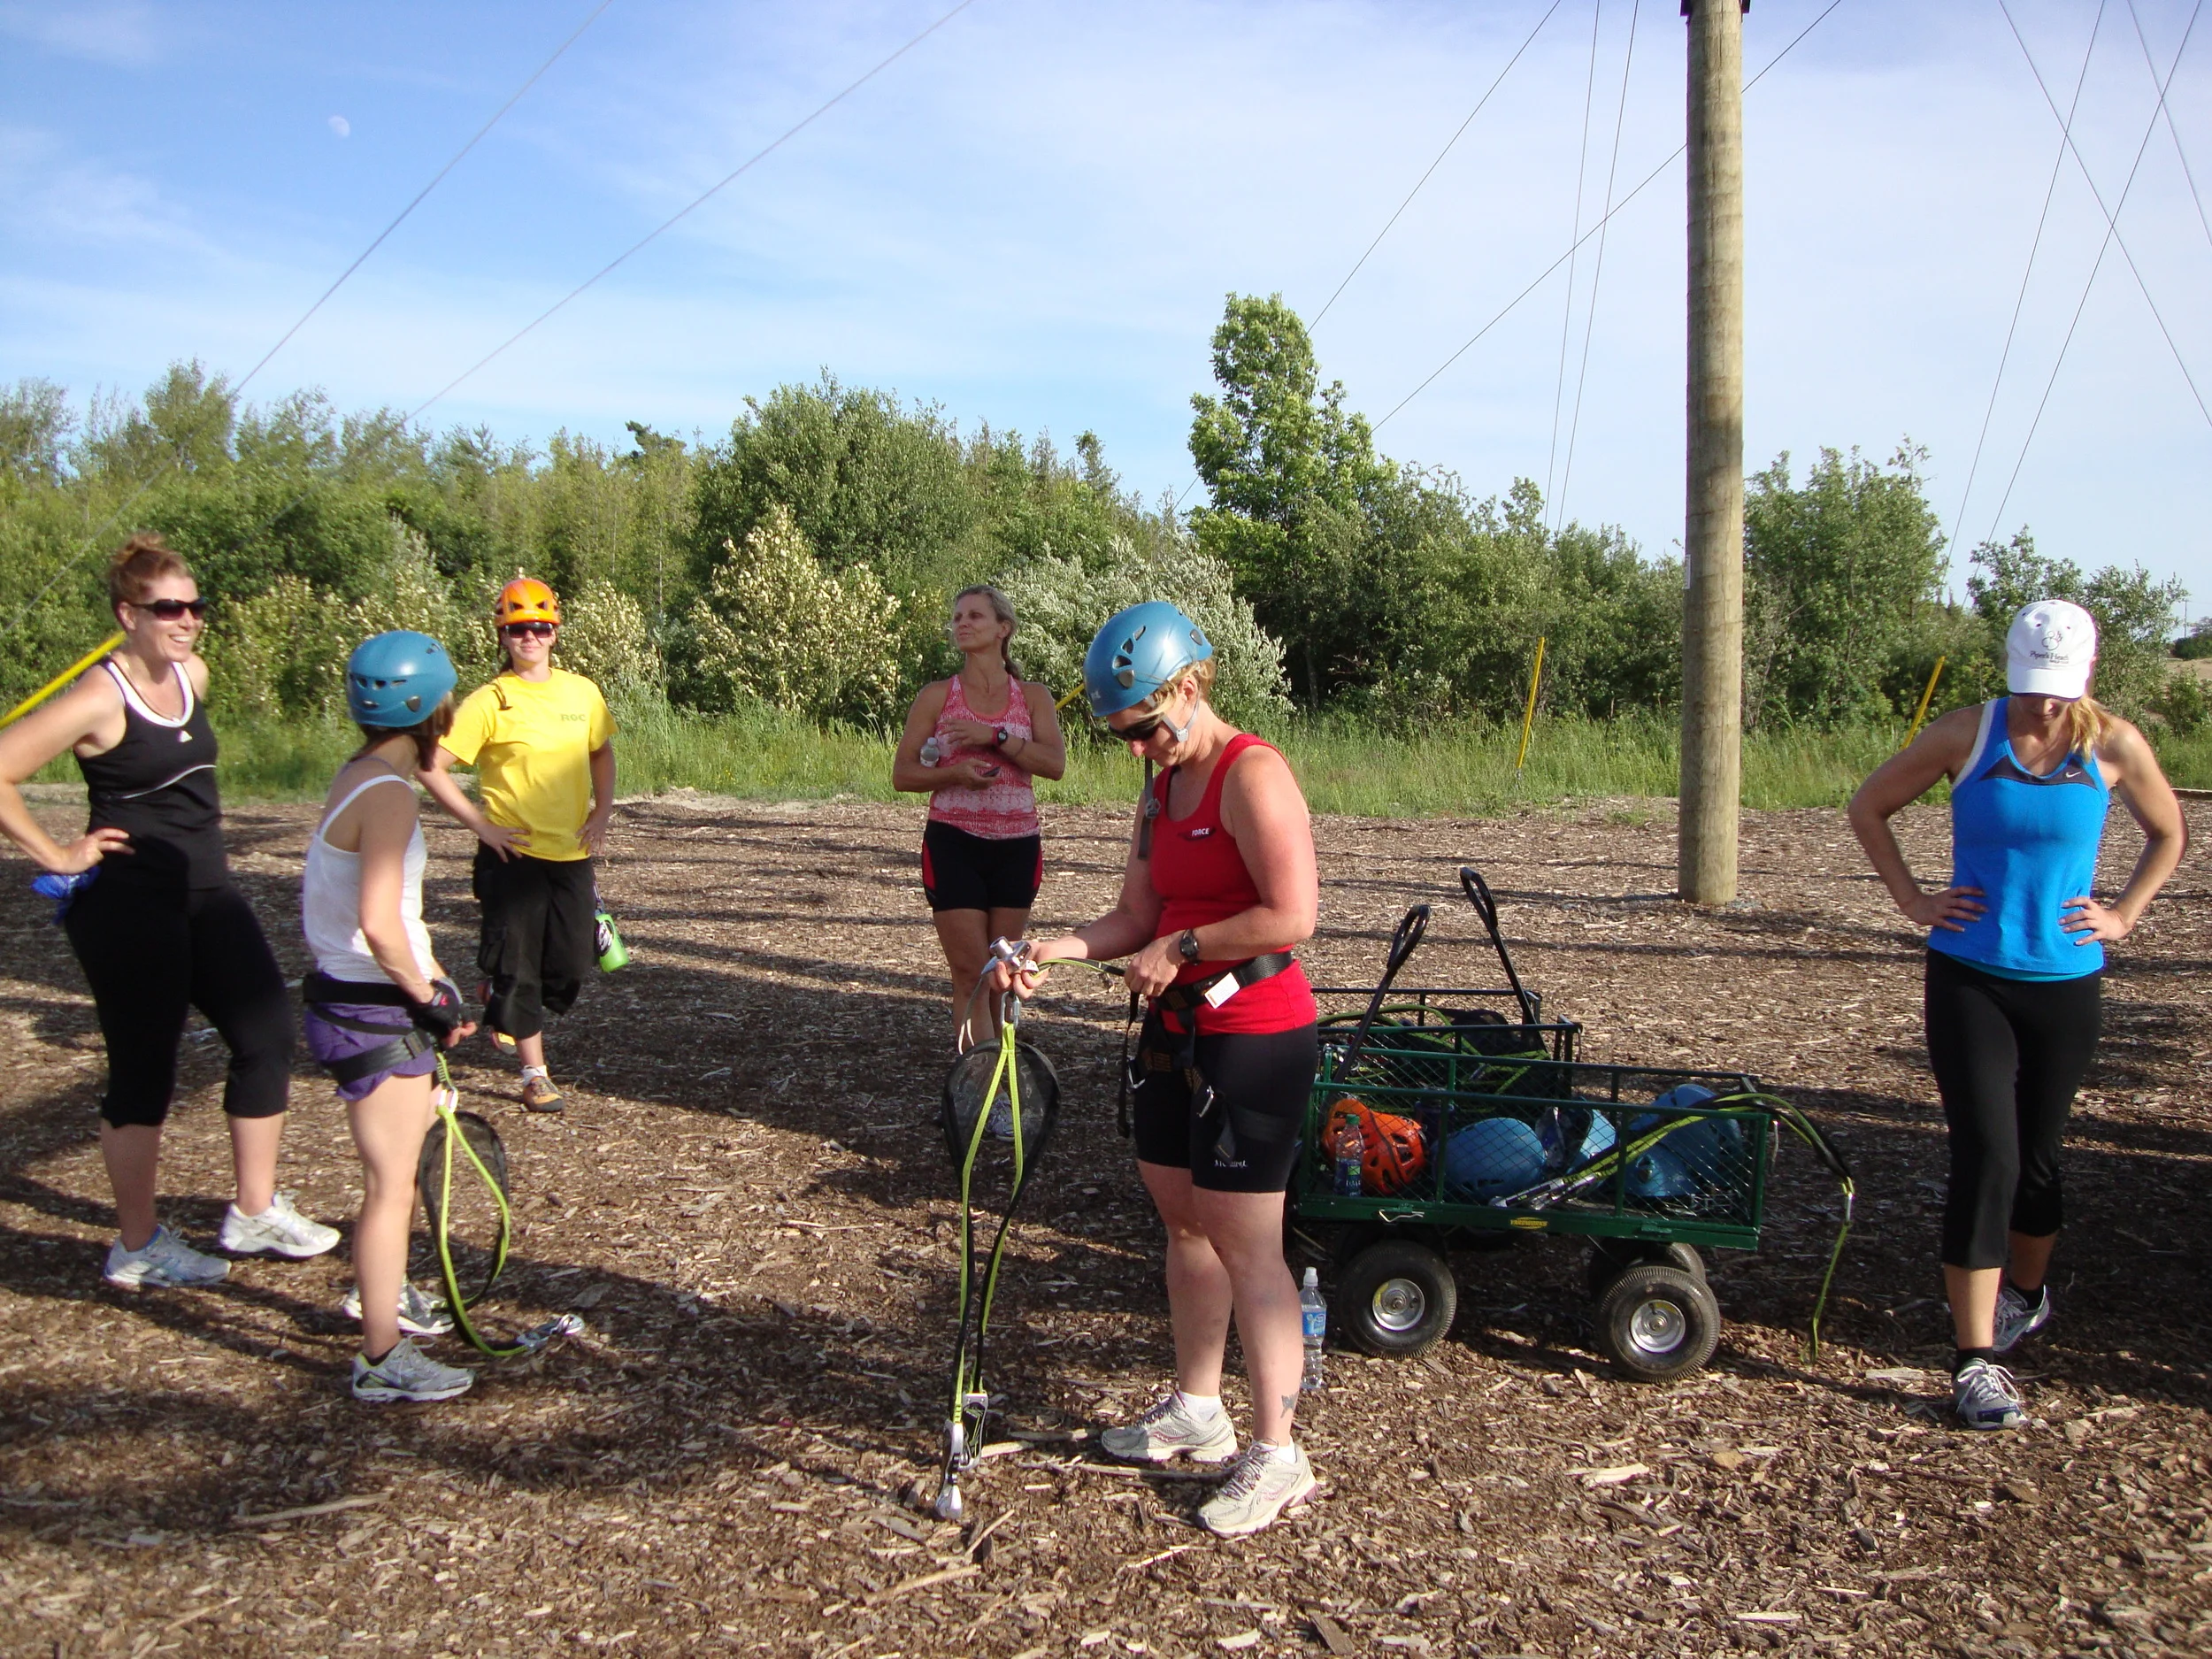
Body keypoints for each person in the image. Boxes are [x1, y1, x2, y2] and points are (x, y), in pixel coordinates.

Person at [999, 601, 1320, 1537]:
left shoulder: (1247, 773)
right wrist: (1051, 949)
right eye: (1119, 737)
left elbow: (1292, 914)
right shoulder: (1159, 790)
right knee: (1182, 1223)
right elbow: (1132, 919)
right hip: (1176, 1029)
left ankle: (1278, 1454)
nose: (1136, 750)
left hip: (1256, 1032)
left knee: (1245, 1241)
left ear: (1187, 687)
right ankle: (1197, 1407)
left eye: (1143, 727)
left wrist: (1187, 944)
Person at [1847, 600, 2185, 1431]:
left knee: (2038, 1157)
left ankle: (2026, 1294)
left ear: (2086, 677)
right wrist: (1912, 896)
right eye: (2032, 687)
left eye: (2059, 689)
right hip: (1970, 974)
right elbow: (1868, 806)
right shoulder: (1968, 734)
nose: (2044, 704)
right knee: (1987, 1155)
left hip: (2067, 981)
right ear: (2010, 670)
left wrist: (2124, 914)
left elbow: (2168, 832)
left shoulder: (2114, 744)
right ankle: (1974, 1359)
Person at [0, 534, 338, 1287]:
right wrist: (58, 855)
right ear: (128, 613)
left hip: (207, 891)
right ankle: (137, 1242)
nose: (187, 620)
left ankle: (253, 1210)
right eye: (168, 608)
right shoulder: (99, 695)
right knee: (143, 1072)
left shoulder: (194, 675)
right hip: (128, 906)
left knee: (266, 1035)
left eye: (196, 606)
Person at [302, 631, 479, 1402]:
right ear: (434, 707)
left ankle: (388, 1298)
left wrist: (434, 976)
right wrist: (428, 996)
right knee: (391, 1187)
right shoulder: (389, 796)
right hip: (370, 1007)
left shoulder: (360, 774)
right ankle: (380, 1356)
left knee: (396, 1181)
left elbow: (386, 917)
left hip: (357, 998)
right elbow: (380, 921)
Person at [421, 577, 616, 1114]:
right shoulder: (491, 701)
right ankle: (535, 1074)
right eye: (517, 629)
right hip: (512, 858)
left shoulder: (582, 691)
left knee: (572, 968)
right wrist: (482, 826)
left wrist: (601, 811)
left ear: (554, 633)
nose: (529, 637)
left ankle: (501, 998)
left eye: (538, 627)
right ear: (503, 636)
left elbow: (601, 753)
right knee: (522, 968)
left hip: (571, 853)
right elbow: (432, 767)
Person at [891, 585, 1066, 1037]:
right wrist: (956, 775)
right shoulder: (936, 696)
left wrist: (994, 738)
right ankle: (980, 1094)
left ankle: (1000, 1089)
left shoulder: (1033, 696)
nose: (962, 624)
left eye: (975, 616)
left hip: (1017, 847)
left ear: (1003, 629)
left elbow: (1054, 766)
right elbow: (903, 774)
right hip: (954, 844)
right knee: (971, 973)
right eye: (957, 617)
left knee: (1001, 977)